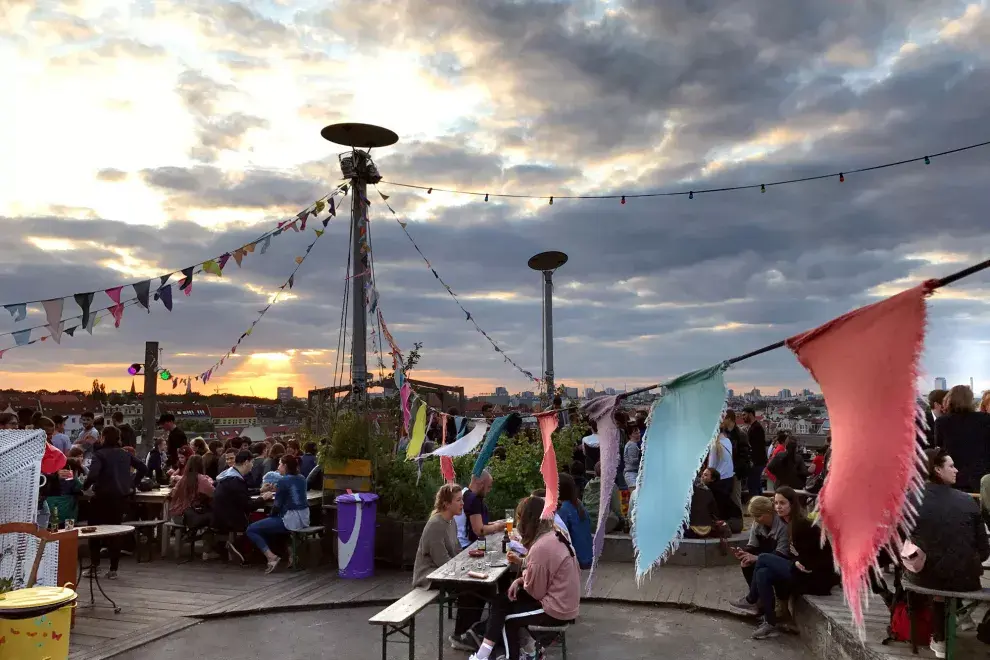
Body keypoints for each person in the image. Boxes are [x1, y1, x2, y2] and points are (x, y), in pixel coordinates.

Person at [469, 496, 580, 660]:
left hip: (556, 609)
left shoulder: (541, 547)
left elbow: (536, 591)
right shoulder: (554, 535)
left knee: (508, 619)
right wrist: (520, 580)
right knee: (502, 601)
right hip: (564, 602)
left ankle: (503, 656)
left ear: (527, 520)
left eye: (519, 518)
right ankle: (486, 654)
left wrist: (523, 580)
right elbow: (540, 578)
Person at [908, 448, 990, 658]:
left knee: (923, 570)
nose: (957, 470)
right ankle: (945, 633)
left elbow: (900, 539)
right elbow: (983, 551)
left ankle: (936, 636)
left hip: (923, 577)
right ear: (936, 469)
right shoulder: (968, 501)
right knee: (942, 572)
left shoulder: (911, 499)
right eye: (951, 466)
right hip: (967, 579)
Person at [730, 487, 838, 639]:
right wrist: (795, 562)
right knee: (763, 573)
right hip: (800, 569)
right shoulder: (788, 523)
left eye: (782, 503)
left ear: (792, 504)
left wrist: (796, 563)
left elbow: (811, 559)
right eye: (775, 503)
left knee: (763, 558)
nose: (778, 507)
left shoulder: (802, 525)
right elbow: (796, 556)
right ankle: (770, 623)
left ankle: (751, 599)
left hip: (816, 578)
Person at [82, 426, 148, 579]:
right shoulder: (125, 454)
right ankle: (113, 569)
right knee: (115, 533)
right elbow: (143, 468)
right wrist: (132, 483)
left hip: (101, 498)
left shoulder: (99, 454)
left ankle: (95, 566)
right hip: (120, 498)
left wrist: (85, 487)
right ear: (118, 438)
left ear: (103, 437)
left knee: (95, 531)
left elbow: (93, 475)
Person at [245, 454, 310, 573]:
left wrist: (270, 515)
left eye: (280, 464)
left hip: (290, 519)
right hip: (304, 518)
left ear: (285, 466)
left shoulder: (283, 481)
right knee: (274, 526)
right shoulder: (302, 478)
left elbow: (277, 506)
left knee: (251, 529)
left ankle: (271, 557)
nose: (278, 466)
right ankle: (291, 556)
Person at [934, 385, 990, 492]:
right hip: (982, 477)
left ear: (949, 399)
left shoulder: (942, 422)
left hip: (954, 477)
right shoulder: (985, 419)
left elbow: (939, 448)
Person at [213, 450, 260, 564]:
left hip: (219, 515)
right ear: (246, 462)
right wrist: (263, 499)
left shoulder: (228, 475)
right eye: (252, 462)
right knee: (260, 522)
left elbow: (241, 494)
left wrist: (260, 491)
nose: (252, 466)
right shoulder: (236, 480)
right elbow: (248, 506)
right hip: (230, 519)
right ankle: (238, 547)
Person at [732, 495, 790, 588]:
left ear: (768, 512)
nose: (755, 520)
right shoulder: (757, 523)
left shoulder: (782, 526)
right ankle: (754, 594)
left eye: (758, 516)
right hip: (764, 554)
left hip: (780, 559)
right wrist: (744, 552)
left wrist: (757, 558)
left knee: (762, 570)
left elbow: (781, 553)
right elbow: (753, 544)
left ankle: (757, 598)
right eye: (754, 516)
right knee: (745, 562)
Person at [412, 484, 462, 590]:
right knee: (471, 586)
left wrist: (466, 565)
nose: (462, 503)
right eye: (458, 500)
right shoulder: (435, 524)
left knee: (478, 584)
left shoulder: (452, 521)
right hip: (429, 578)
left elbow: (457, 551)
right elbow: (442, 561)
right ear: (447, 504)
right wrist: (463, 569)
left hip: (444, 572)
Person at [454, 470, 507, 548]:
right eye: (488, 487)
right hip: (467, 546)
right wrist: (498, 526)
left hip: (458, 543)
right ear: (482, 484)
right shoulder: (473, 499)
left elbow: (471, 523)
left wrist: (494, 523)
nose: (489, 490)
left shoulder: (464, 493)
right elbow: (479, 530)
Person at [556, 473, 593, 569]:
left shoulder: (563, 509)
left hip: (577, 560)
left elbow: (558, 537)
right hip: (588, 557)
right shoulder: (578, 505)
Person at [169, 455, 214, 528]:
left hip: (176, 516)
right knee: (214, 515)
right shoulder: (201, 479)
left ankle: (191, 535)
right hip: (188, 516)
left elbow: (173, 493)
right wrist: (210, 481)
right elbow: (213, 493)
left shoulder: (183, 479)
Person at [582, 461, 623, 534]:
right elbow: (616, 509)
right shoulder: (611, 485)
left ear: (595, 472)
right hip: (603, 523)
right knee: (615, 518)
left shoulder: (588, 485)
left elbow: (583, 504)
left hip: (588, 523)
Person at [701, 467, 743, 533]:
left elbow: (718, 512)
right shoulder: (711, 489)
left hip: (734, 522)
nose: (702, 477)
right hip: (731, 520)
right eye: (703, 474)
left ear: (712, 479)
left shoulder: (715, 491)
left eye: (706, 475)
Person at [706, 425, 735, 513]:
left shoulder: (715, 445)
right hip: (729, 478)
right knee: (725, 507)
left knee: (717, 508)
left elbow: (711, 467)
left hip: (718, 480)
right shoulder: (728, 441)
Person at [741, 407, 766, 500]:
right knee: (756, 485)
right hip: (758, 462)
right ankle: (761, 506)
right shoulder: (755, 427)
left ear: (750, 414)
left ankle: (756, 508)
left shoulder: (755, 428)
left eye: (744, 415)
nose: (742, 417)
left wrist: (751, 461)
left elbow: (754, 447)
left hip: (755, 462)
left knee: (752, 485)